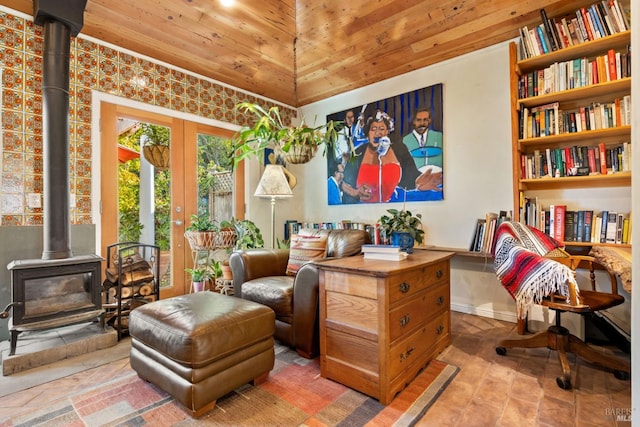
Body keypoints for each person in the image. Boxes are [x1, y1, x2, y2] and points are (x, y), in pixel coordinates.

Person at [342, 110, 443, 204]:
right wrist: (356, 193)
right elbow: (343, 183)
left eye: (382, 129)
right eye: (373, 129)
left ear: (387, 132)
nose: (378, 133)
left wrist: (418, 183)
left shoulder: (399, 149)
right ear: (368, 133)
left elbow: (412, 177)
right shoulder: (358, 152)